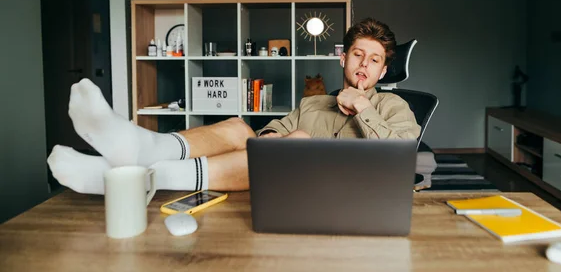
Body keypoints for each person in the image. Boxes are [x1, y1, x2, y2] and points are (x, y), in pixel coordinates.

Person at [48, 18, 421, 195]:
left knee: (300, 139)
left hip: (332, 189)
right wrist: (277, 138)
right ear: (343, 59)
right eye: (358, 54)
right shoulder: (315, 102)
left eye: (374, 60)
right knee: (241, 128)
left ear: (384, 70)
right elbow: (273, 129)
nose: (364, 65)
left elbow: (402, 155)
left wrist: (361, 107)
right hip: (281, 170)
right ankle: (140, 150)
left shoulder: (393, 106)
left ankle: (139, 175)